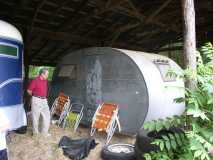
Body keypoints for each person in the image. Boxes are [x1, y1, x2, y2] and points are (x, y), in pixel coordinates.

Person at [27, 68, 50, 136]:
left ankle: (44, 133)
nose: (47, 76)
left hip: (44, 100)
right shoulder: (35, 80)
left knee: (47, 116)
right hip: (36, 100)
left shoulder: (45, 81)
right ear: (42, 74)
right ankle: (35, 134)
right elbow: (29, 91)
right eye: (47, 74)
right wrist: (35, 96)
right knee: (35, 117)